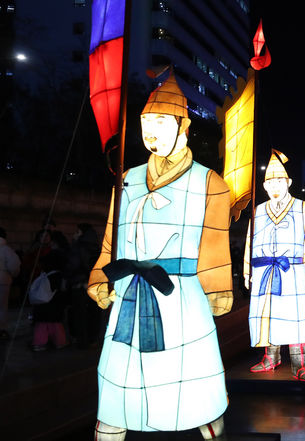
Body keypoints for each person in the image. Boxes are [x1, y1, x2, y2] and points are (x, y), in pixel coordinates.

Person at [86, 73, 233, 440]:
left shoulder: (210, 182)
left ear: (184, 126)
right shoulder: (127, 179)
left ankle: (208, 423)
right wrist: (101, 276)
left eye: (161, 122)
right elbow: (111, 238)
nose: (151, 132)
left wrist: (217, 287)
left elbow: (214, 244)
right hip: (129, 292)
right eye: (146, 123)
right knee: (119, 386)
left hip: (181, 295)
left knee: (193, 386)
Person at [245, 150, 305, 382]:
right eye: (270, 183)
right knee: (268, 316)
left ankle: (300, 364)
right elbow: (250, 242)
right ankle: (271, 358)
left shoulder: (301, 207)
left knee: (295, 316)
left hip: (293, 271)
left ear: (288, 182)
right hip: (264, 272)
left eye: (279, 181)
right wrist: (248, 271)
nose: (275, 187)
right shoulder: (258, 211)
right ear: (264, 186)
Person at [31, 234, 69, 351]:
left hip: (42, 308)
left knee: (41, 326)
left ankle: (39, 343)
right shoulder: (59, 276)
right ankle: (59, 342)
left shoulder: (45, 275)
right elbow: (62, 290)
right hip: (55, 307)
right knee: (56, 326)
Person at [66, 223, 101, 348]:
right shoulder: (96, 246)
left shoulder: (78, 247)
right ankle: (93, 339)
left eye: (77, 232)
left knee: (80, 314)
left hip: (80, 284)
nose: (74, 234)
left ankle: (81, 340)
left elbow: (73, 265)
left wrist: (67, 276)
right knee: (94, 313)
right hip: (94, 284)